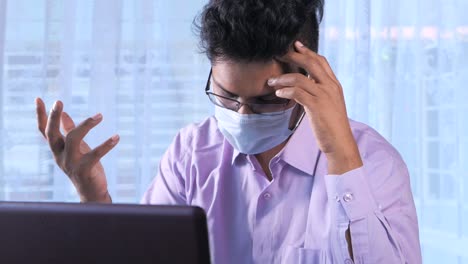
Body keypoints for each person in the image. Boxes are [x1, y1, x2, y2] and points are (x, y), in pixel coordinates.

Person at [35, 0, 422, 263]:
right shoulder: (191, 153)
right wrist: (93, 195)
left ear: (309, 80)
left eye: (266, 100)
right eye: (226, 96)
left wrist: (340, 156)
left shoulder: (372, 161)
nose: (242, 113)